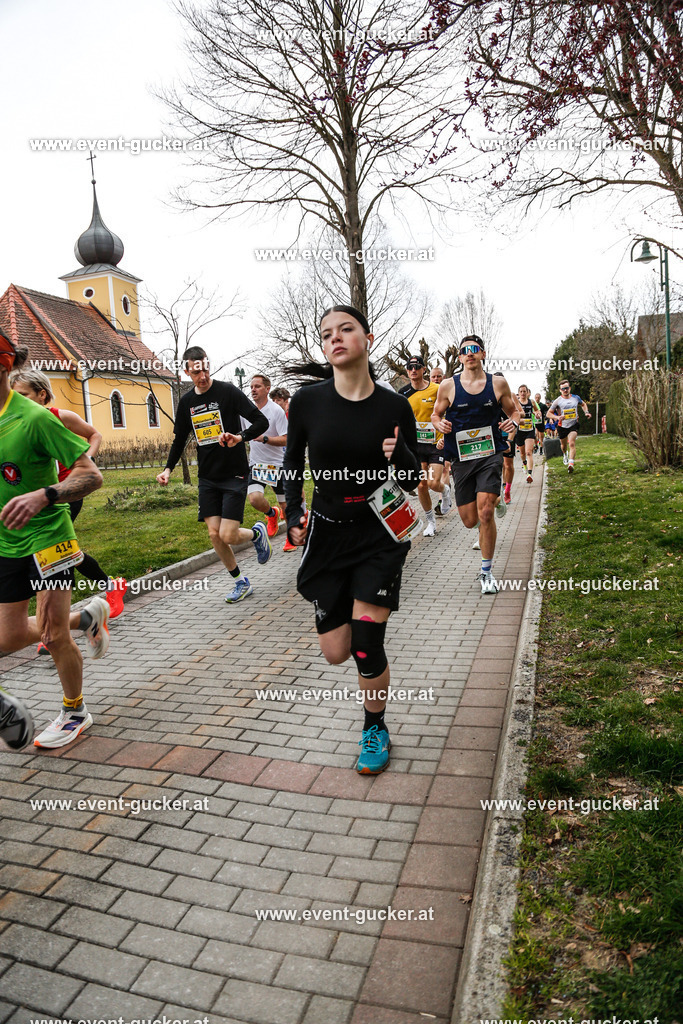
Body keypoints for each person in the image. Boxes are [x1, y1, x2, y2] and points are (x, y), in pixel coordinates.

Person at [284, 305, 420, 775]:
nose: (335, 338)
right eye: (326, 334)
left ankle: (374, 727)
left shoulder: (394, 406)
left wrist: (399, 452)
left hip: (381, 532)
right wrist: (294, 512)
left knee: (365, 642)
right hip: (328, 535)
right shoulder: (306, 403)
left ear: (368, 337)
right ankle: (370, 701)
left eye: (346, 329)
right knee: (336, 651)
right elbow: (291, 468)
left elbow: (411, 475)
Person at [0, 331, 111, 749]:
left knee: (50, 633)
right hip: (5, 542)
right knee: (9, 637)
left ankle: (75, 711)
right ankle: (87, 618)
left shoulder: (35, 418)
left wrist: (45, 494)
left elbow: (91, 475)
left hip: (49, 538)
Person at [10, 369, 128, 636]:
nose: (17, 401)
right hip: (33, 498)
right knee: (61, 554)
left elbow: (95, 435)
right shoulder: (15, 423)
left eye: (23, 395)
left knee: (52, 553)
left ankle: (52, 628)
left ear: (42, 395)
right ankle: (104, 591)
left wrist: (84, 463)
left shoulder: (59, 417)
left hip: (65, 493)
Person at [157, 347, 272, 603]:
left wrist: (239, 437)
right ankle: (241, 582)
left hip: (234, 473)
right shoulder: (186, 402)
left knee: (228, 535)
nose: (203, 376)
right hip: (208, 476)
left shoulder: (228, 391)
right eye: (196, 372)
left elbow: (260, 421)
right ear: (187, 372)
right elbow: (179, 440)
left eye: (206, 369)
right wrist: (168, 469)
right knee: (213, 534)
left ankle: (256, 533)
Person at [432, 336, 519, 593]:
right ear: (459, 357)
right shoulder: (448, 385)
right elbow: (435, 414)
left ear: (482, 353)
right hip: (462, 458)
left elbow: (514, 411)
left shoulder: (498, 383)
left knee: (485, 512)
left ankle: (486, 572)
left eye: (474, 349)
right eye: (464, 351)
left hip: (490, 454)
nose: (469, 354)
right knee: (470, 520)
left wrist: (512, 422)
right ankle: (488, 508)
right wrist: (439, 423)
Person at [399, 356, 451, 535]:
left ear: (424, 370)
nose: (413, 370)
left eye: (417, 367)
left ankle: (445, 491)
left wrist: (444, 433)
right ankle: (431, 522)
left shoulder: (437, 389)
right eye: (410, 367)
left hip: (436, 443)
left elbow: (448, 411)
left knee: (433, 483)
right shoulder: (402, 394)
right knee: (421, 485)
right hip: (416, 446)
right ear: (407, 371)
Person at [244, 373, 289, 546]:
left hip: (277, 465)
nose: (253, 390)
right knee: (255, 499)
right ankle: (272, 514)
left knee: (286, 506)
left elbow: (286, 438)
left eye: (257, 386)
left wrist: (265, 439)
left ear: (267, 389)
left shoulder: (275, 411)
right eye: (251, 387)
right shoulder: (247, 412)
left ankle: (291, 538)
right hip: (257, 464)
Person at [547, 380, 592, 473]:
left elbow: (583, 404)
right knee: (563, 446)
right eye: (563, 389)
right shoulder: (557, 401)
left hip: (573, 424)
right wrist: (558, 417)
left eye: (567, 388)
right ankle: (565, 454)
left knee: (571, 443)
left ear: (570, 388)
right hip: (562, 426)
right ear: (560, 390)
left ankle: (571, 464)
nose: (565, 390)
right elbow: (548, 414)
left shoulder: (575, 398)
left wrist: (586, 412)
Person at [515, 385, 542, 484]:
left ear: (527, 392)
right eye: (521, 391)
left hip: (530, 429)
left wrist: (537, 413)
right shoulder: (516, 403)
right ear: (518, 393)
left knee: (528, 452)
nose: (522, 393)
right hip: (520, 431)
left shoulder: (532, 402)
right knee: (522, 454)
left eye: (524, 391)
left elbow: (536, 410)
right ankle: (524, 463)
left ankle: (529, 474)